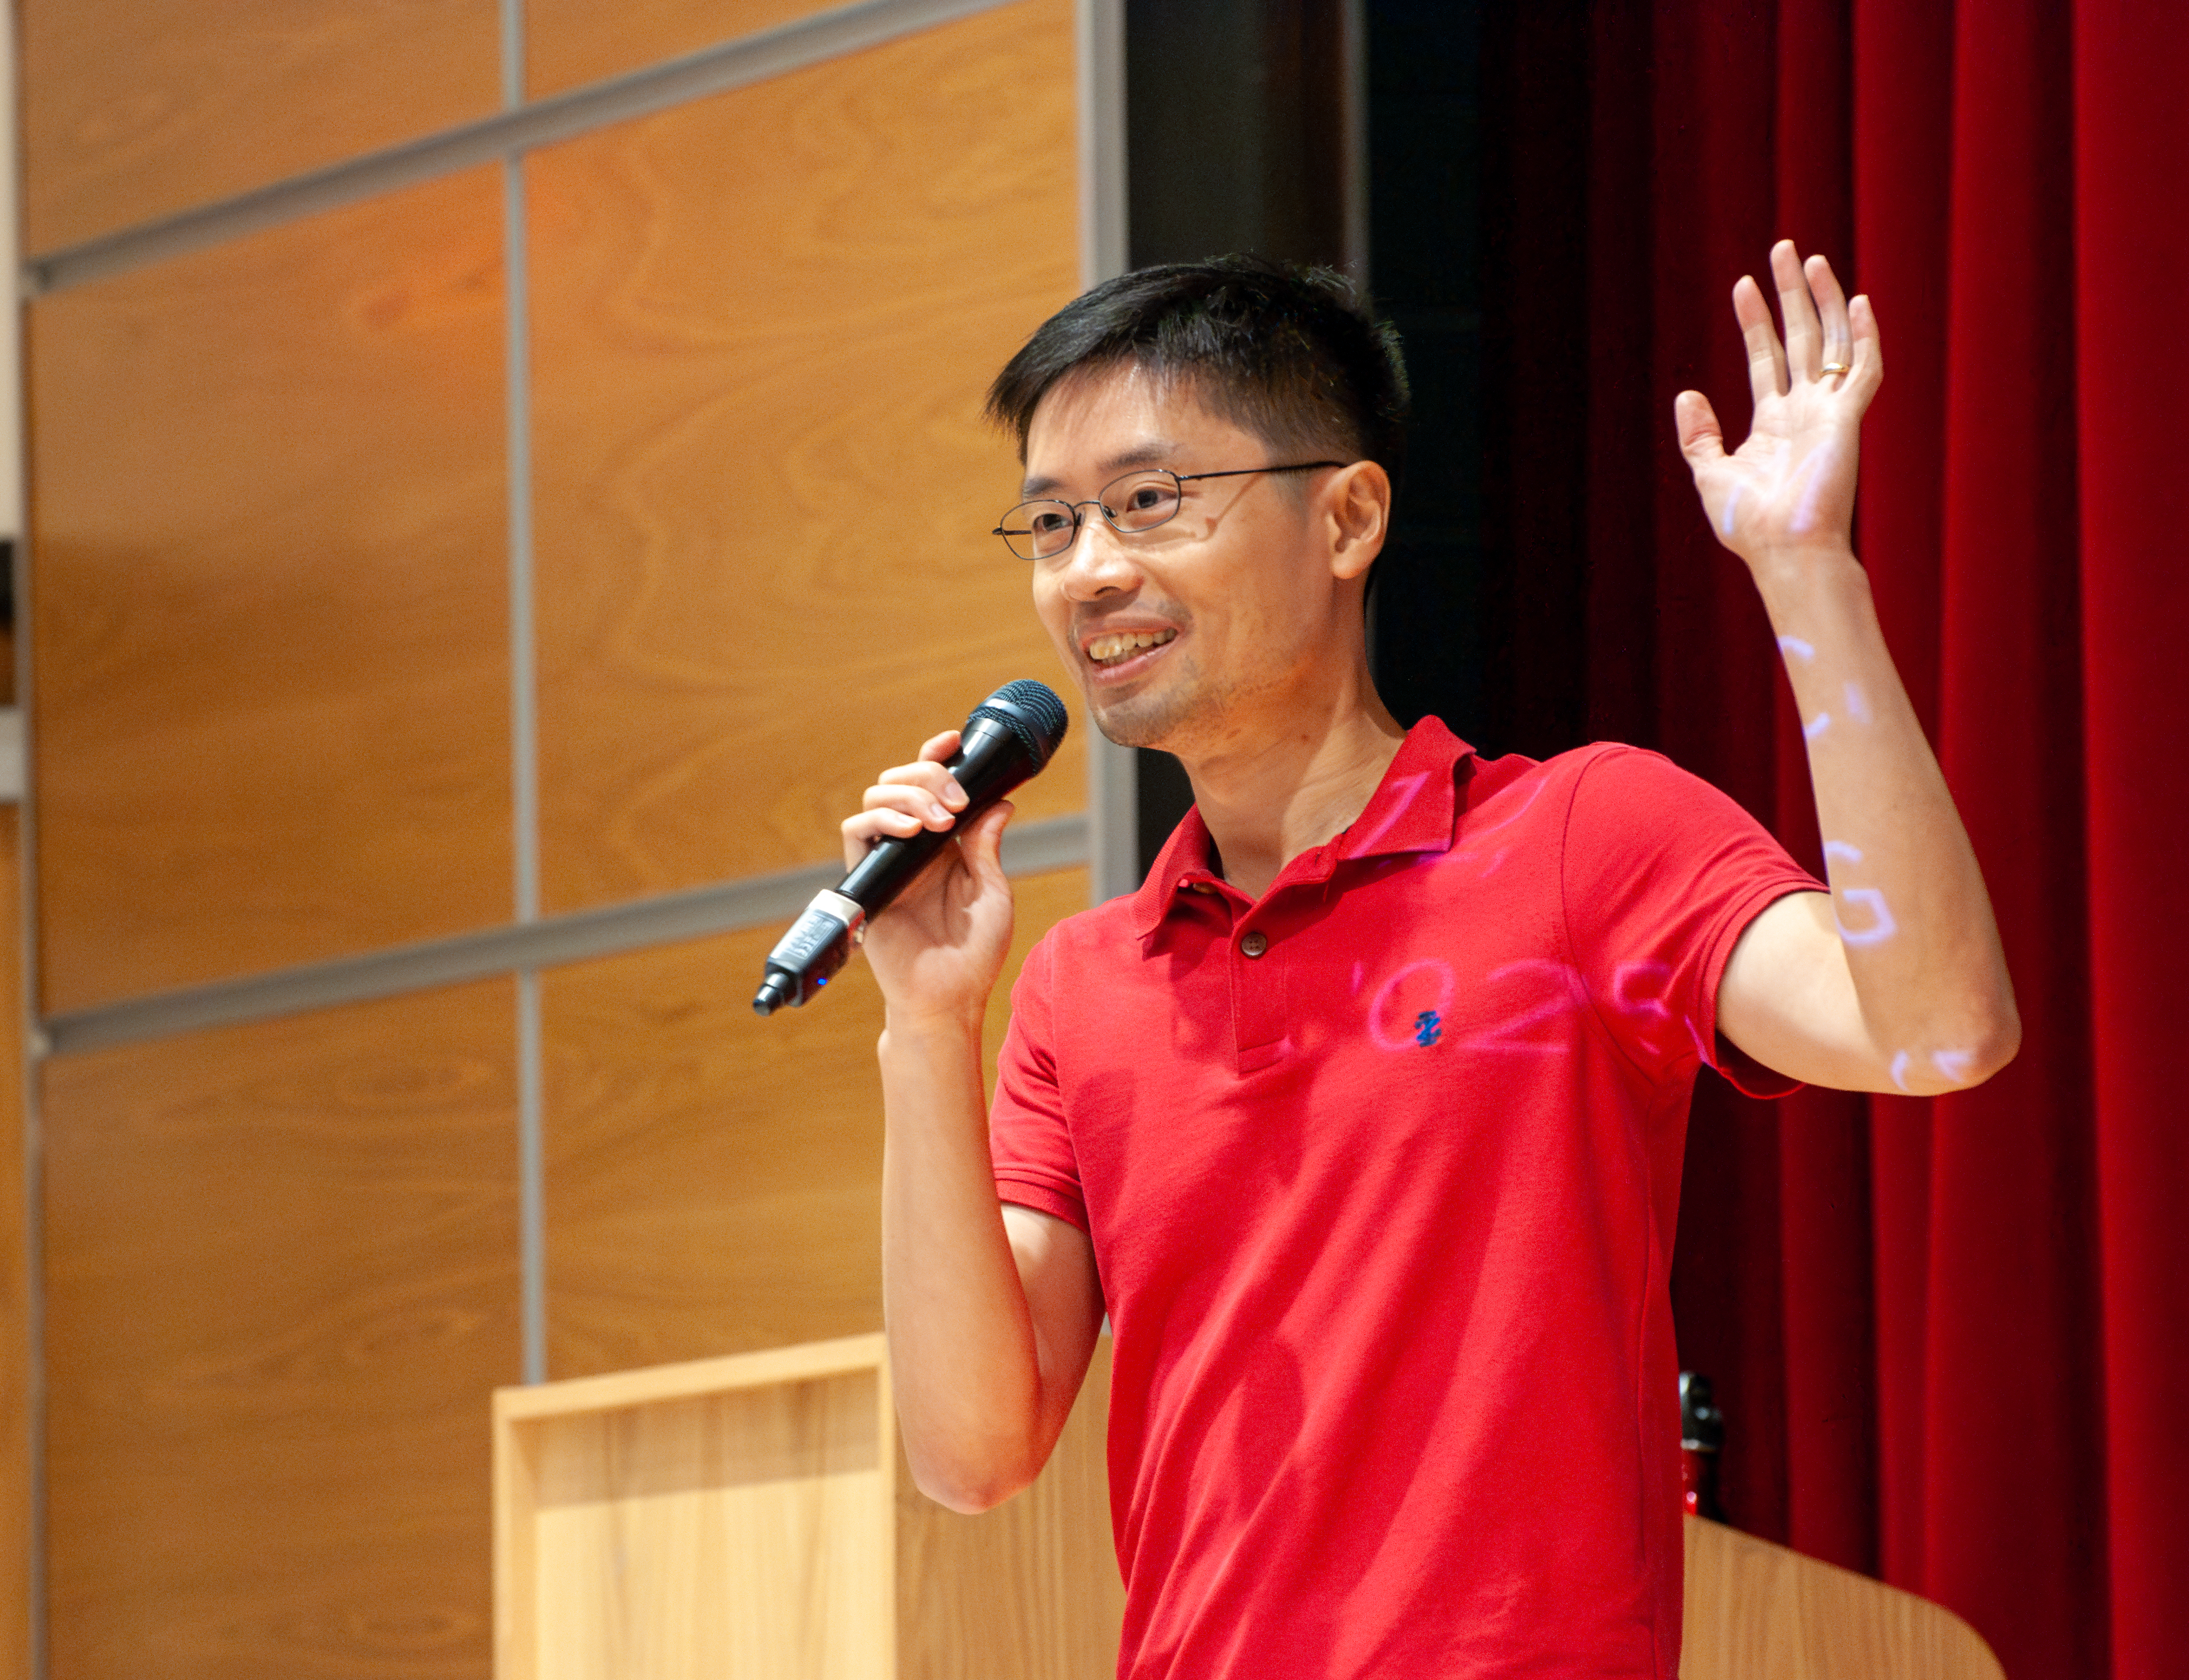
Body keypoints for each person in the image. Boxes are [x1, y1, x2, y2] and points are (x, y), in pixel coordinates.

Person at [840, 249, 2018, 1677]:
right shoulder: (1081, 984)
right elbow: (970, 1452)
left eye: (1149, 500)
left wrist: (1802, 571)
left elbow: (1937, 1026)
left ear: (1345, 516)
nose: (1091, 568)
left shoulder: (1583, 839)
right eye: (1049, 519)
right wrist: (923, 1018)